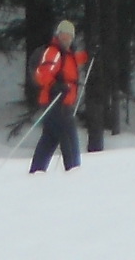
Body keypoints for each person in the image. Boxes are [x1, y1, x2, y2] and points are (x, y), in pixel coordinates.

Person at [29, 20, 88, 173]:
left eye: (69, 35)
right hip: (56, 102)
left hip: (59, 103)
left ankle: (36, 172)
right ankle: (73, 171)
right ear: (58, 34)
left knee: (50, 138)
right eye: (63, 34)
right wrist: (55, 85)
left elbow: (75, 60)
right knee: (69, 137)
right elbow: (41, 74)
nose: (66, 37)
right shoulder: (53, 52)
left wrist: (89, 55)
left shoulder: (67, 54)